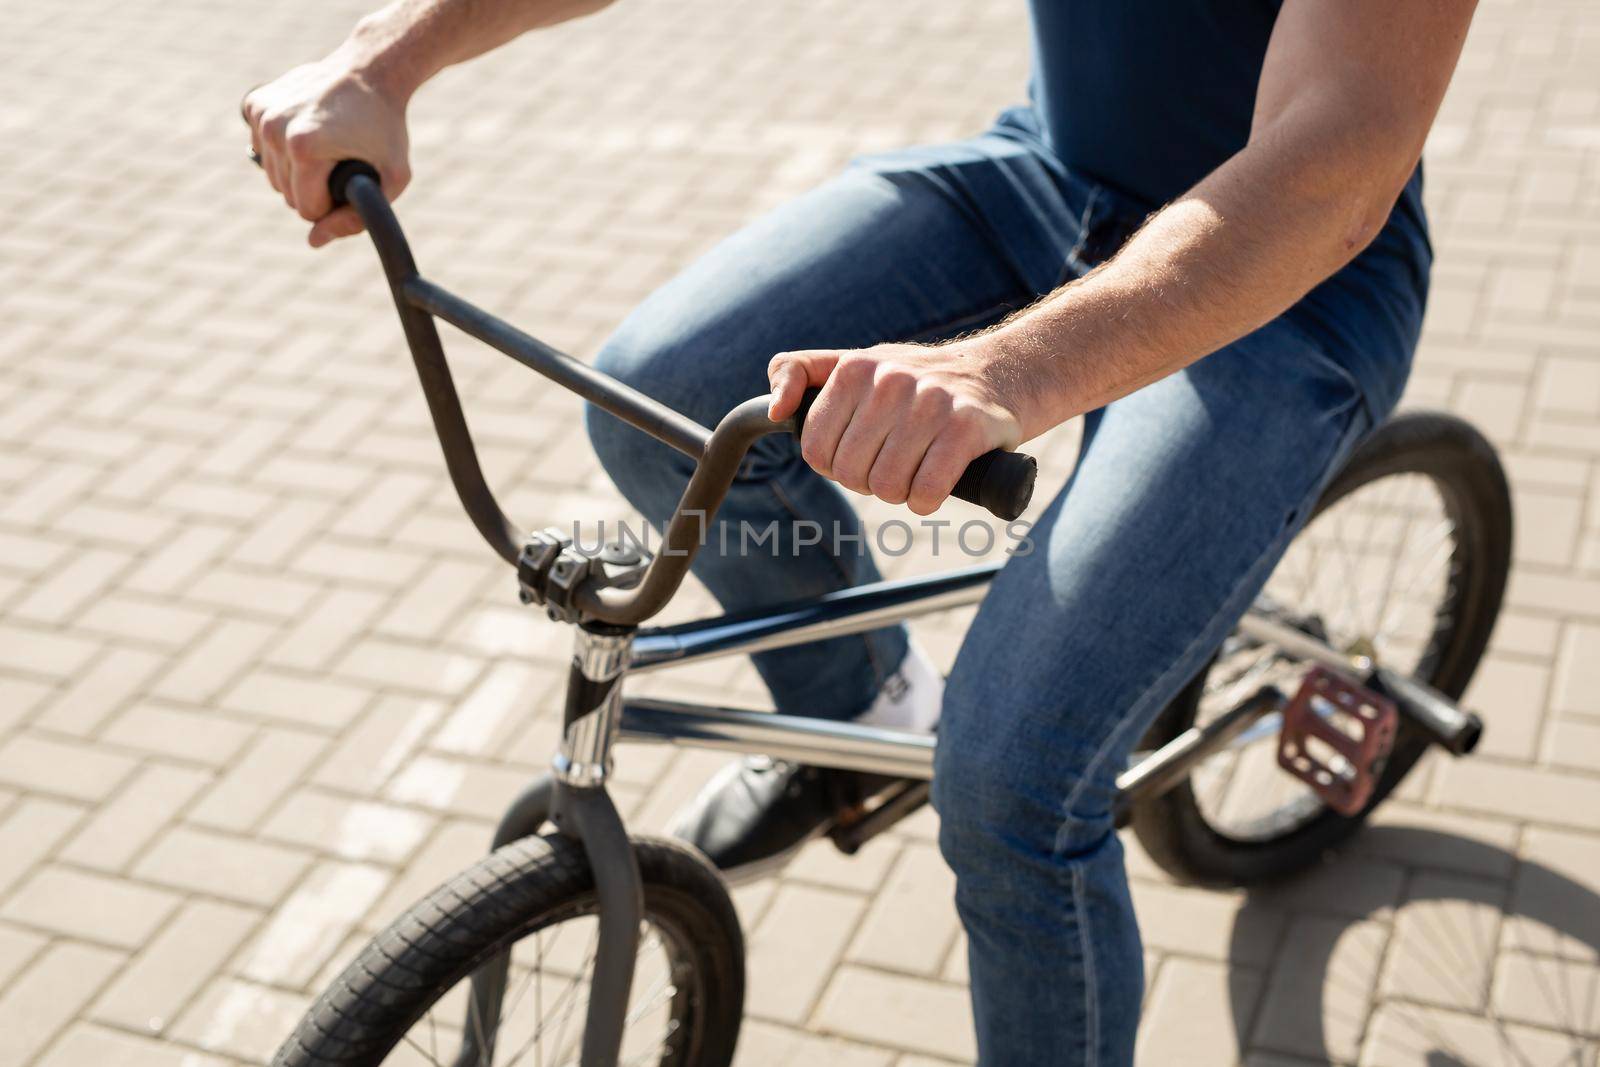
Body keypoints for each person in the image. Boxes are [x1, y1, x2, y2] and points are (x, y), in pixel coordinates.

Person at [244, 1, 1476, 1061]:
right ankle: (865, 710)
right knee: (661, 392)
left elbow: (1339, 159)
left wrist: (1004, 371)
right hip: (1051, 175)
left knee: (1011, 787)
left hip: (1293, 287)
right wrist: (380, 61)